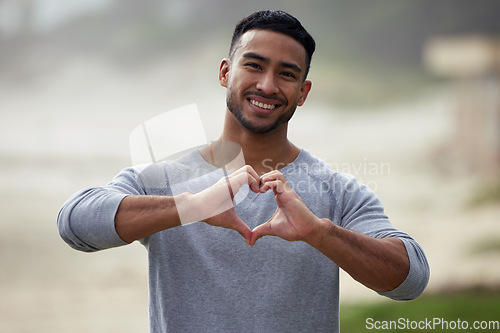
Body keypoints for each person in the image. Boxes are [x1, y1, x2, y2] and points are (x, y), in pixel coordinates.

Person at [58, 10, 429, 332]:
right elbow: (74, 224)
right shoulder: (164, 180)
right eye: (254, 65)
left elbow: (410, 279)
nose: (267, 85)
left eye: (286, 74)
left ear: (303, 92)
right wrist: (191, 206)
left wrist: (319, 233)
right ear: (225, 72)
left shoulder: (336, 191)